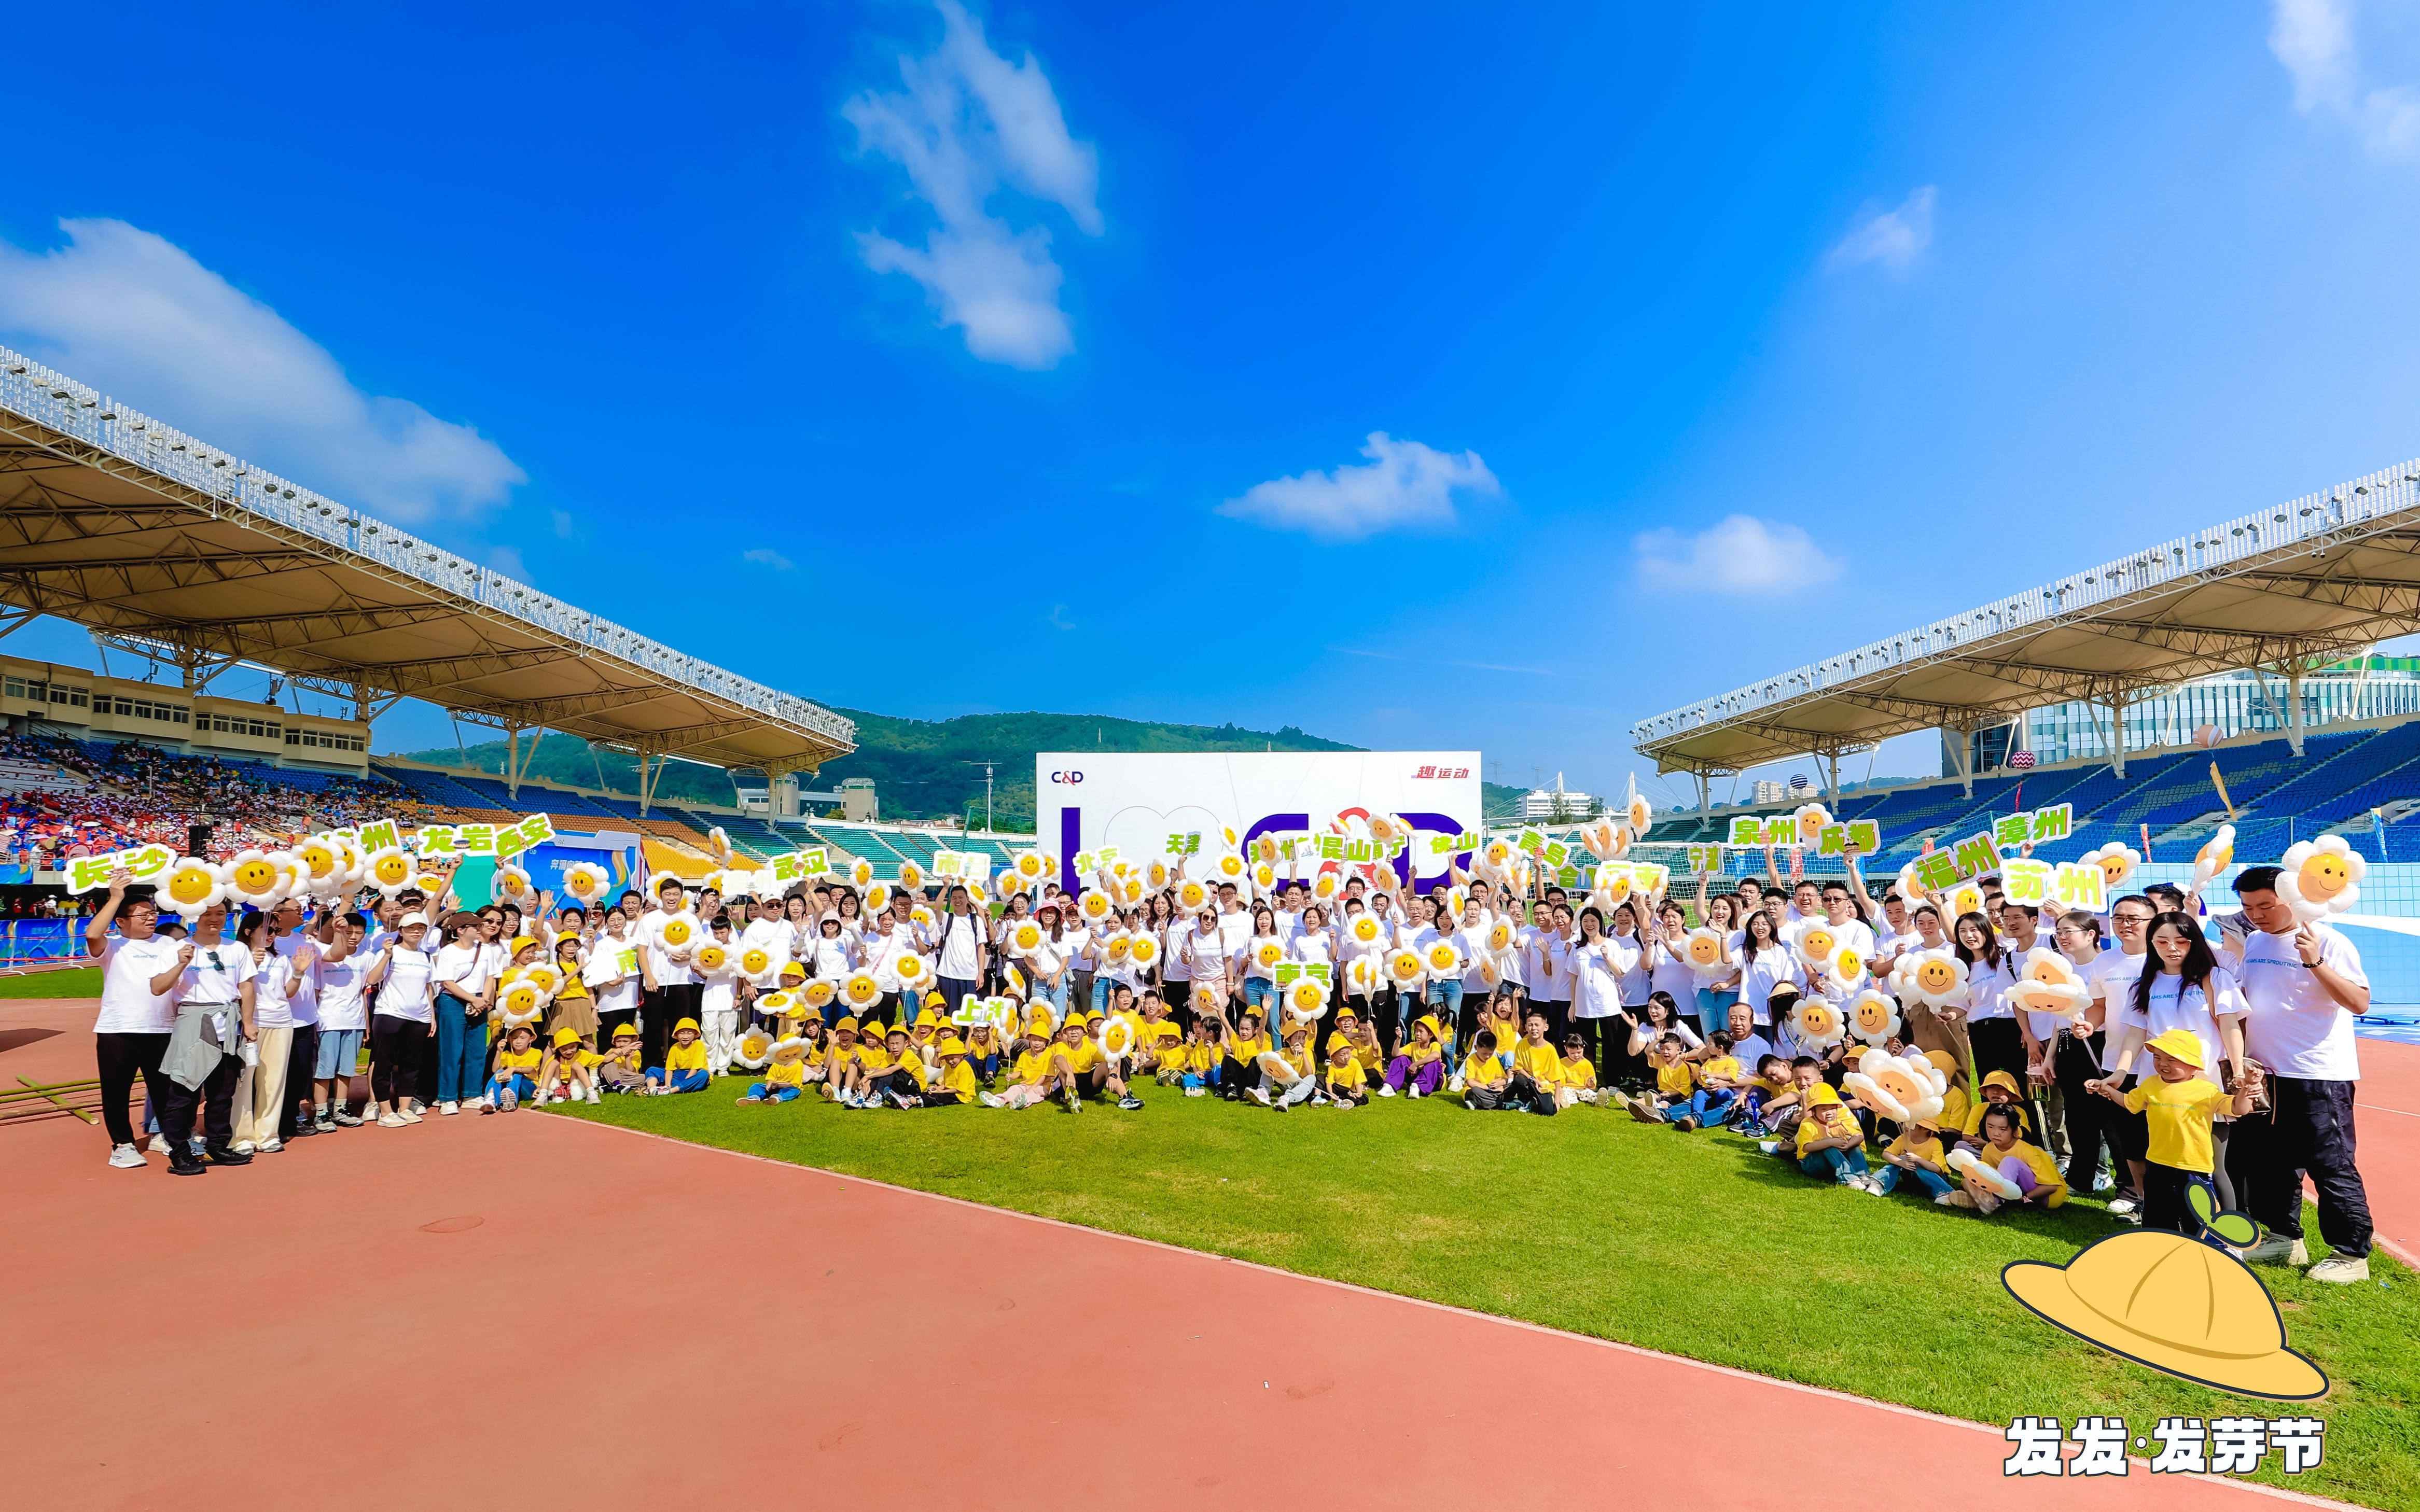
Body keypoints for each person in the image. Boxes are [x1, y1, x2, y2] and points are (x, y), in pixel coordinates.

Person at [2219, 866, 2376, 1283]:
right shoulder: (2255, 942)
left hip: (2317, 1074)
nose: (2256, 915)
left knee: (2330, 1164)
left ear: (2292, 898)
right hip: (2265, 1075)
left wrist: (2315, 962)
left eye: (2266, 905)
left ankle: (2351, 1254)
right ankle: (2284, 1238)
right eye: (2248, 907)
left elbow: (2359, 1002)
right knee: (2270, 1162)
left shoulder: (2330, 941)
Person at [2090, 1028, 2258, 1242]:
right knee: (2158, 1220)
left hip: (2194, 1169)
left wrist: (2247, 1091)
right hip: (2157, 1165)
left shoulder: (2206, 1090)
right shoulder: (2151, 1085)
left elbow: (2239, 1109)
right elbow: (2129, 1102)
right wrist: (2106, 1090)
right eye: (2157, 1058)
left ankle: (2207, 1252)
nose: (2163, 1064)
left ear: (2194, 1066)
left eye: (2172, 1059)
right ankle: (2162, 1251)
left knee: (2198, 1222)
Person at [84, 869, 180, 1171]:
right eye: (142, 915)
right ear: (122, 921)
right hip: (118, 1030)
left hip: (162, 1028)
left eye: (153, 913)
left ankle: (167, 1136)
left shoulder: (168, 945)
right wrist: (116, 897)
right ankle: (122, 1145)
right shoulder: (113, 946)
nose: (151, 918)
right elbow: (92, 934)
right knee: (116, 1091)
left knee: (166, 1090)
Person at [154, 903, 255, 1173]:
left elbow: (246, 986)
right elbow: (157, 987)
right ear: (193, 916)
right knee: (184, 1092)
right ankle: (179, 1151)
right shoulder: (176, 950)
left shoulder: (237, 949)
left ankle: (218, 1145)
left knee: (223, 1094)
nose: (214, 919)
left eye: (220, 914)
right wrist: (181, 964)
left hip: (229, 1026)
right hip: (195, 1023)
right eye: (207, 914)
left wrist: (248, 1022)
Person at [363, 913, 436, 1127]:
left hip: (419, 1017)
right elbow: (372, 979)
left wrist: (431, 1015)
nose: (416, 932)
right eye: (411, 928)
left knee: (411, 1065)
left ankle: (404, 1108)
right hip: (390, 1014)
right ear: (401, 931)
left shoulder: (426, 957)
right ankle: (385, 1111)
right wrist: (386, 956)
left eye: (421, 928)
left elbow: (428, 987)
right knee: (384, 1063)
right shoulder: (390, 952)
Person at [1793, 1084, 1873, 1189]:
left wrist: (1848, 1145)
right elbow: (1807, 1147)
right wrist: (1830, 1142)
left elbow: (1859, 1136)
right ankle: (1848, 1179)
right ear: (1813, 1111)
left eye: (1833, 1108)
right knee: (1828, 1143)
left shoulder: (1837, 1122)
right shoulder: (1807, 1124)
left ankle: (1863, 1174)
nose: (1829, 1113)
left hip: (1833, 1162)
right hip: (1812, 1164)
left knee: (1850, 1140)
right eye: (1823, 1109)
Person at [483, 1025, 545, 1112]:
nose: (518, 1041)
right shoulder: (506, 1054)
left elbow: (530, 1069)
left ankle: (511, 1101)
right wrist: (499, 1051)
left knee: (517, 1074)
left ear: (531, 1039)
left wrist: (513, 1068)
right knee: (500, 1072)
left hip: (529, 1088)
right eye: (515, 1038)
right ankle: (491, 1099)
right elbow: (495, 1071)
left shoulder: (536, 1052)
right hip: (510, 1085)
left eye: (523, 1038)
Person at [647, 1017, 710, 1094]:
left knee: (704, 1074)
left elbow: (695, 1068)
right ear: (676, 1034)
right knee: (652, 1070)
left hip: (694, 1074)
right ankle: (651, 1089)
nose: (685, 1037)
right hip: (679, 1073)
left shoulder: (699, 1044)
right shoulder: (674, 1047)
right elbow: (669, 1069)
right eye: (682, 1033)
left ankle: (670, 1091)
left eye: (690, 1033)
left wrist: (685, 1083)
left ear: (695, 1034)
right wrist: (668, 1085)